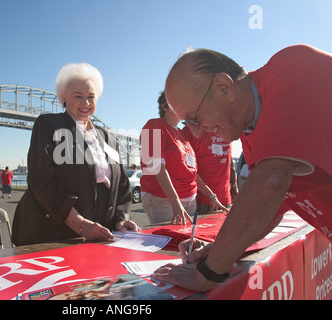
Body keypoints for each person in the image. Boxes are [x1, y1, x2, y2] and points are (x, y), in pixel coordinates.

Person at [153, 44, 332, 292]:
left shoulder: (290, 68)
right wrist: (215, 251)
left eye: (195, 118)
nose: (194, 131)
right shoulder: (248, 130)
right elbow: (268, 211)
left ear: (224, 87)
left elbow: (272, 180)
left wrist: (207, 273)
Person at [12, 63, 139, 246]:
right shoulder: (49, 125)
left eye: (91, 97)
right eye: (78, 96)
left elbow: (122, 185)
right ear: (63, 97)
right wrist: (80, 225)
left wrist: (120, 220)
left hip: (99, 237)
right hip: (53, 236)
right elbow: (42, 182)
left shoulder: (107, 138)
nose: (86, 103)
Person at [140, 92, 227, 225]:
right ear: (164, 106)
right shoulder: (152, 125)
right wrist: (175, 201)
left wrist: (211, 196)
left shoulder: (181, 134)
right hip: (163, 200)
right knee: (170, 241)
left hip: (190, 199)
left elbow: (192, 173)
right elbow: (156, 167)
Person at [181, 125, 236, 214]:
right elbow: (187, 168)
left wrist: (234, 187)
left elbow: (229, 160)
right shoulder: (191, 130)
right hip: (203, 201)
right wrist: (211, 196)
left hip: (226, 199)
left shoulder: (226, 128)